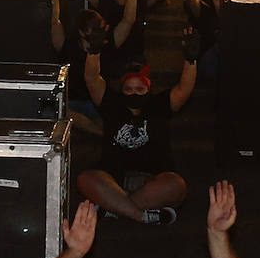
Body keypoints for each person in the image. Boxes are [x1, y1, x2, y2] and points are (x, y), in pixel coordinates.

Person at [75, 29, 200, 223]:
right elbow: (92, 79)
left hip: (152, 180)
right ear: (122, 89)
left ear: (149, 88)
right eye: (129, 89)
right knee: (86, 179)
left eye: (140, 89)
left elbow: (184, 89)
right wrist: (94, 53)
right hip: (112, 180)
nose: (134, 94)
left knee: (176, 185)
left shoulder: (159, 105)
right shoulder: (112, 102)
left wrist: (190, 60)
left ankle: (114, 208)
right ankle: (141, 216)